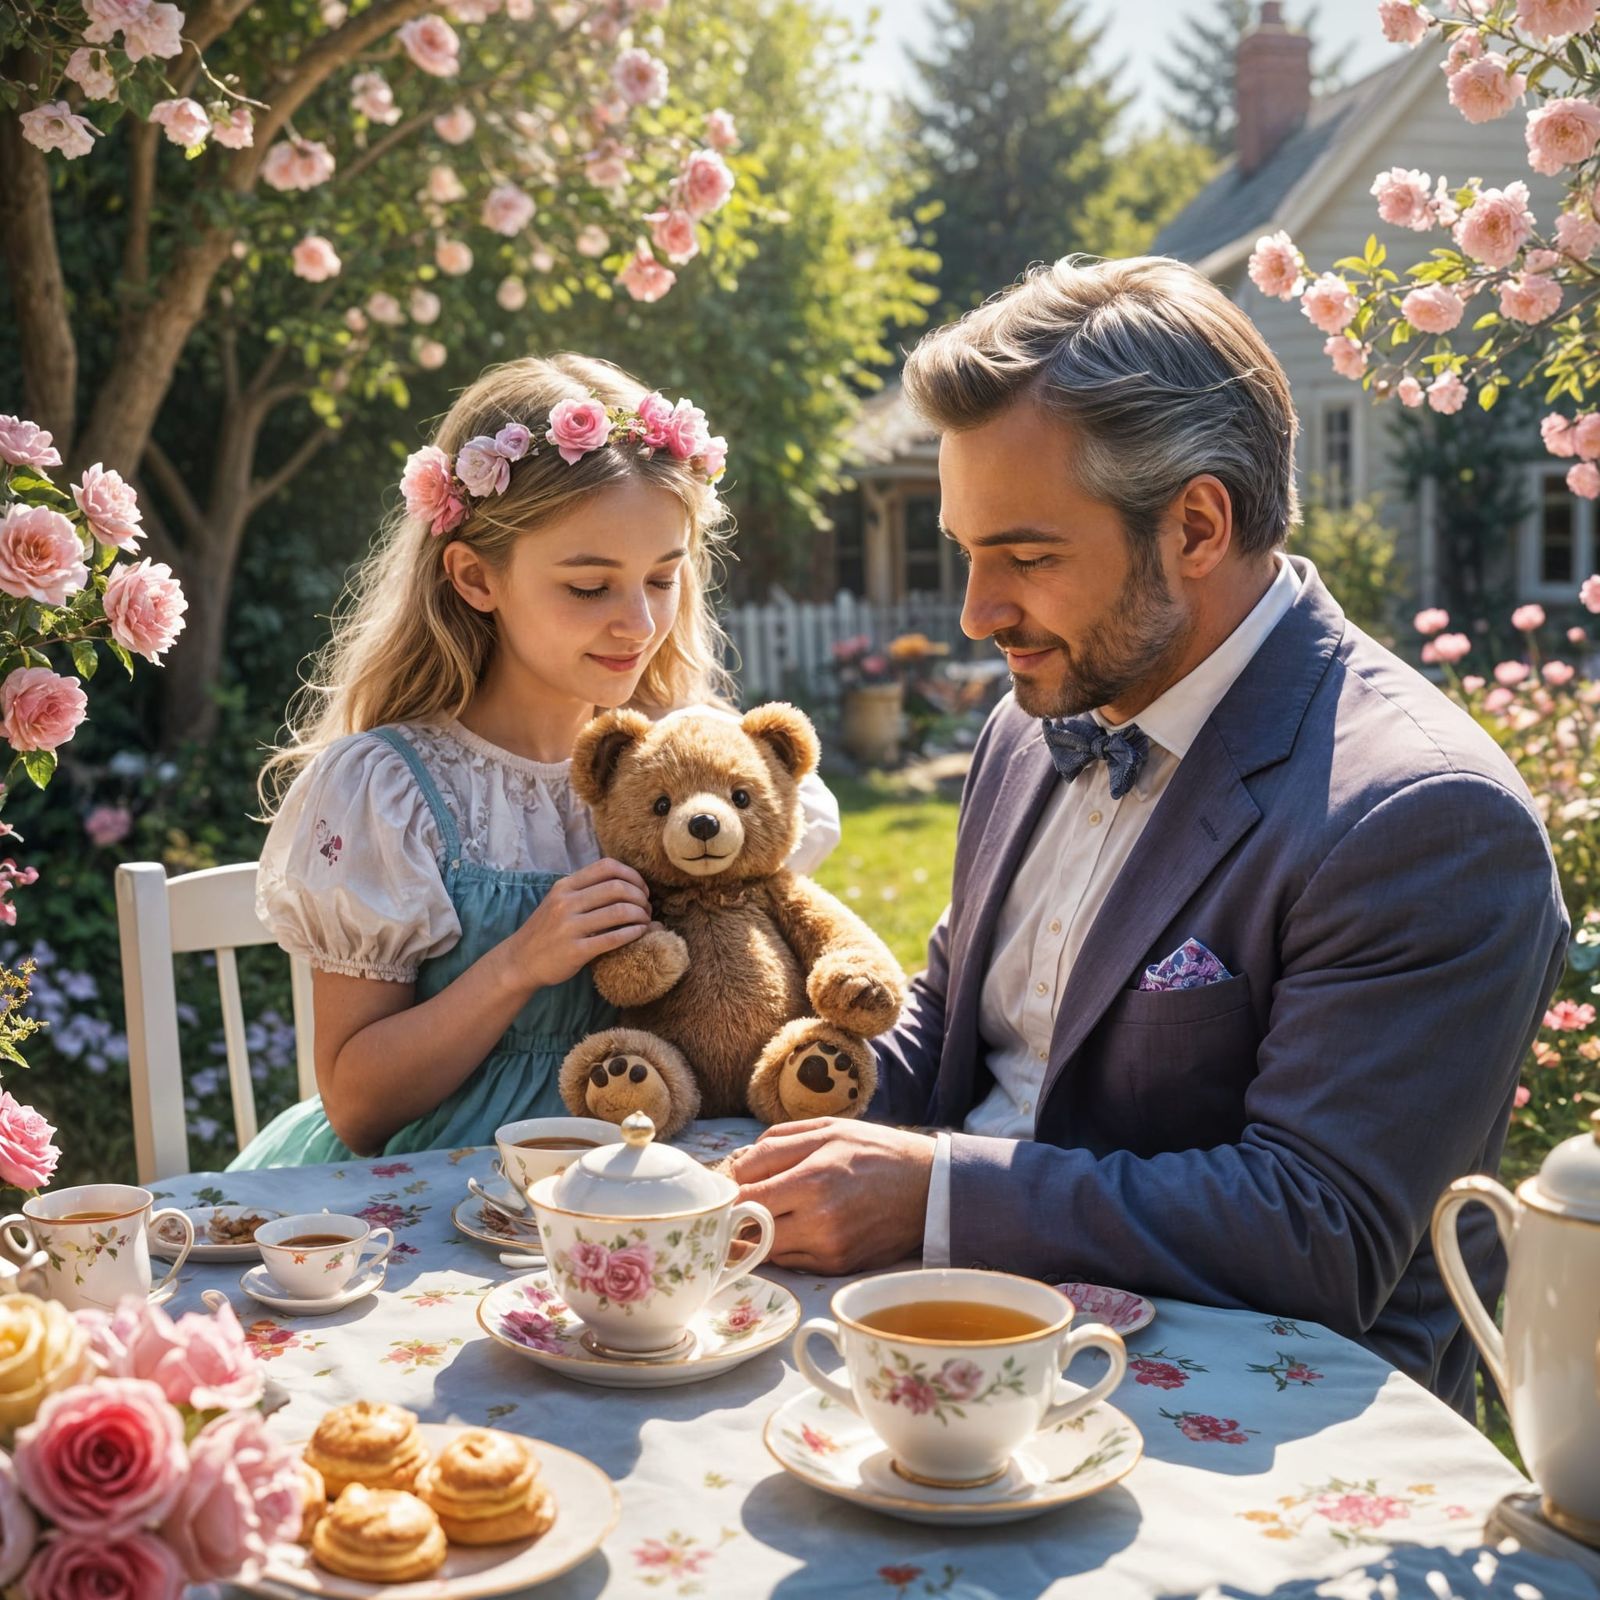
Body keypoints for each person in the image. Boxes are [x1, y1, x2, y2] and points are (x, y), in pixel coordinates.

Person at [731, 256, 1567, 1415]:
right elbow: (960, 1019)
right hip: (957, 1341)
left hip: (1236, 1407)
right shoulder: (1036, 724)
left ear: (1195, 523)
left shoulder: (1422, 817)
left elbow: (1317, 1229)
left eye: (1023, 557)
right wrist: (770, 1118)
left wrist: (930, 1192)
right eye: (965, 550)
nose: (976, 614)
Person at [233, 354, 840, 1167]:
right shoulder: (392, 790)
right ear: (475, 577)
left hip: (646, 1177)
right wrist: (518, 964)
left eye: (662, 578)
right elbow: (358, 1107)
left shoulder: (684, 765)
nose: (637, 624)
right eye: (589, 588)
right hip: (453, 1186)